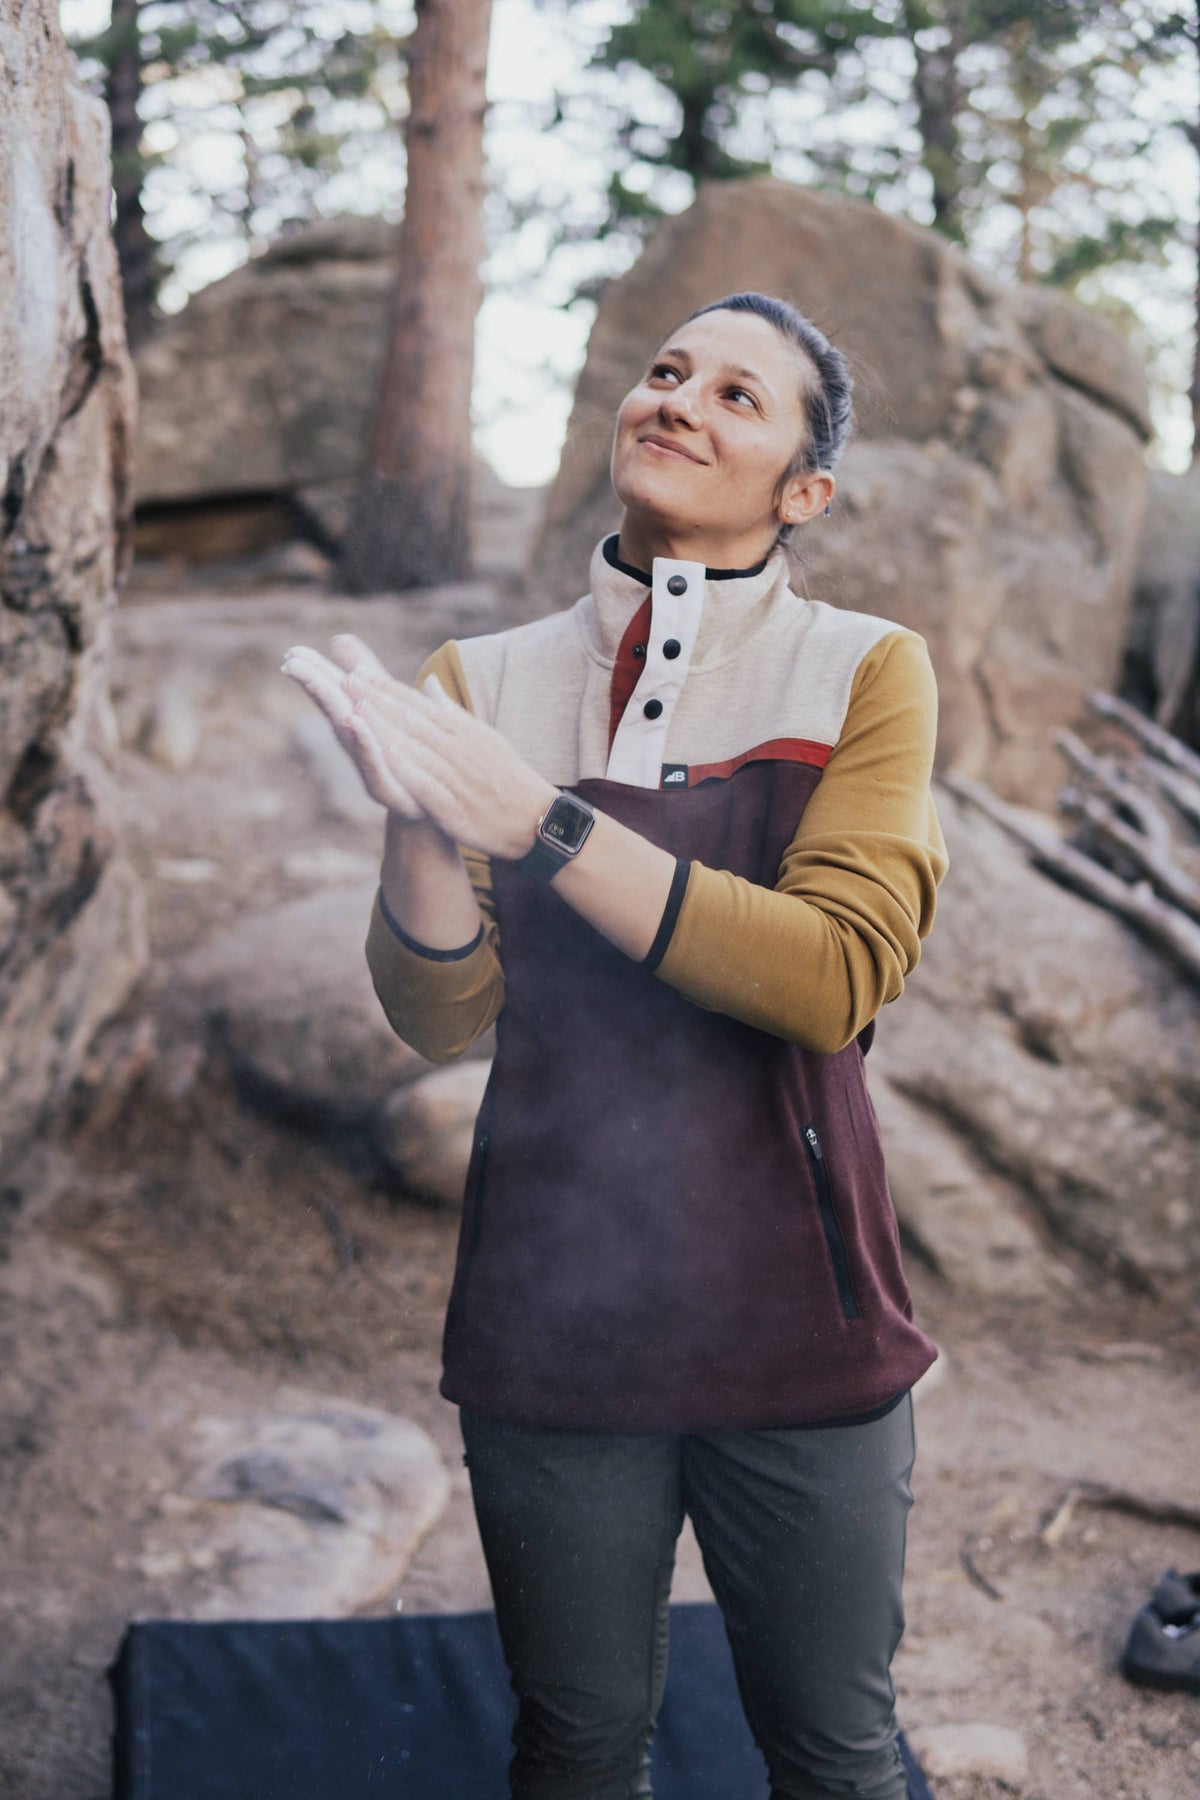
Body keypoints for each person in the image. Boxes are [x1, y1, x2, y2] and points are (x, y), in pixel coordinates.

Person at [282, 290, 949, 1800]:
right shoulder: (486, 680)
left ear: (803, 491)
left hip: (803, 1300)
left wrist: (538, 821)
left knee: (836, 1749)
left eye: (736, 395)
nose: (680, 403)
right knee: (575, 1744)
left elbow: (835, 977)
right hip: (552, 1308)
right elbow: (443, 1010)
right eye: (665, 374)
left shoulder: (863, 667)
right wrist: (418, 811)